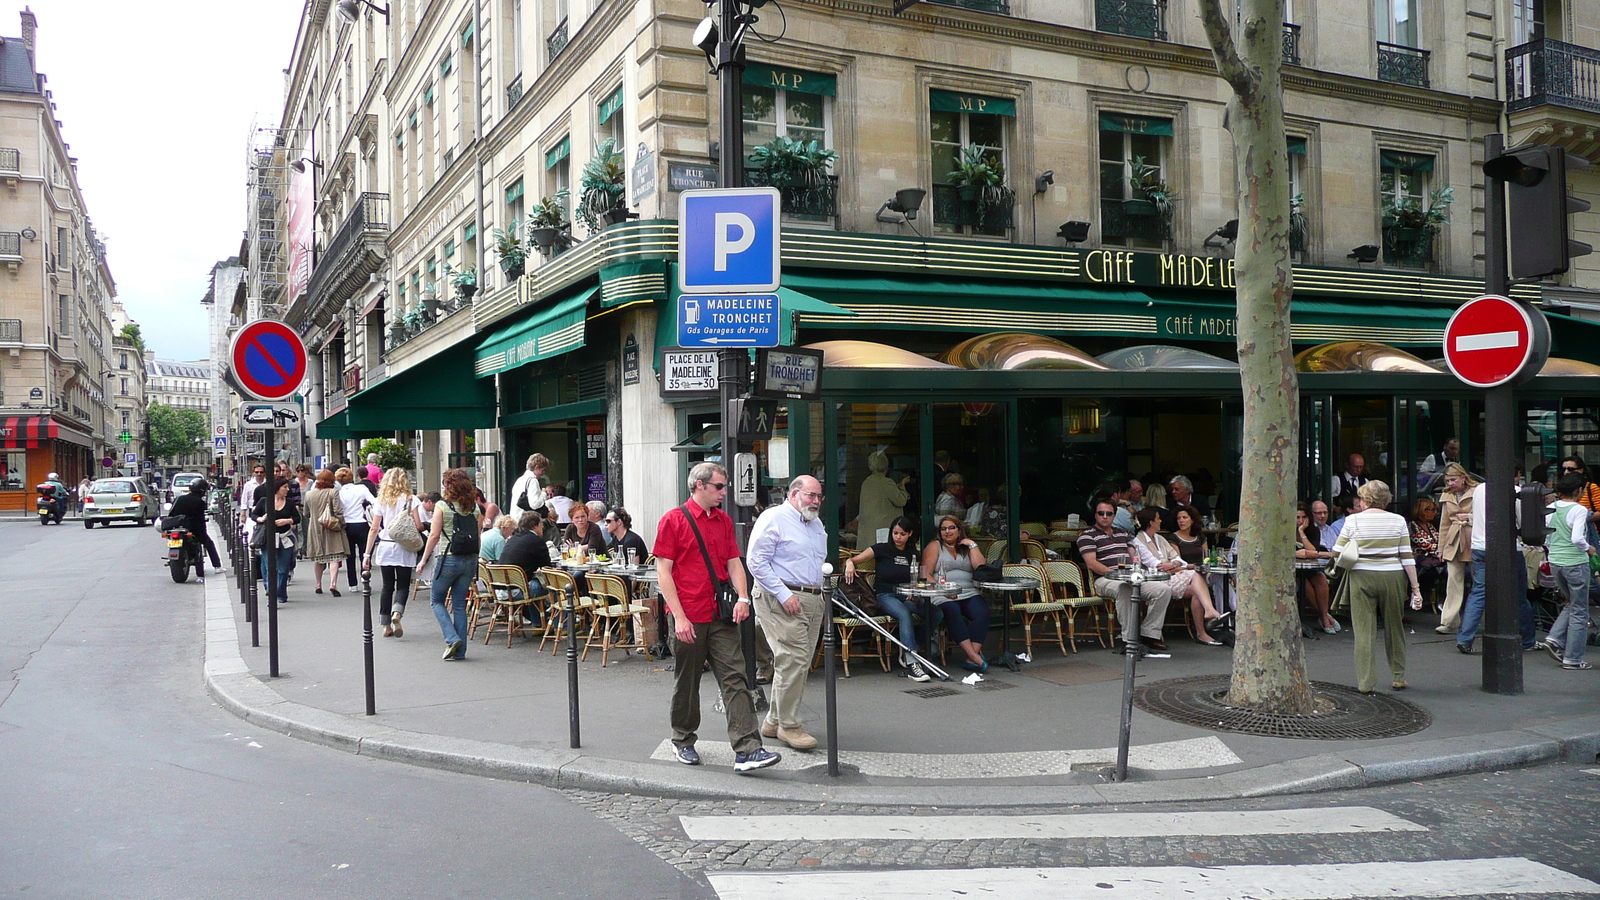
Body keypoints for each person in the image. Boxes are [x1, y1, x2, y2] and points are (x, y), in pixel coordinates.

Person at [654, 461, 781, 773]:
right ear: (700, 485)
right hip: (689, 614)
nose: (725, 492)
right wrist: (679, 618)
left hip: (719, 614)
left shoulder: (723, 520)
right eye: (719, 487)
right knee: (688, 681)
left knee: (735, 679)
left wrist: (742, 597)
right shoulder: (673, 520)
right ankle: (682, 738)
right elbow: (663, 572)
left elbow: (733, 561)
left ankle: (748, 749)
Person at [747, 475, 829, 751]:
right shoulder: (774, 518)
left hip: (812, 597)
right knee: (792, 659)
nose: (816, 501)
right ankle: (789, 726)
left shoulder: (816, 523)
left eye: (819, 496)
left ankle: (773, 720)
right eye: (810, 495)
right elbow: (755, 561)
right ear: (794, 494)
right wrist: (784, 594)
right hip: (780, 597)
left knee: (799, 661)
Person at [1331, 481, 1421, 693]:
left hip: (1361, 576)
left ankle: (1366, 682)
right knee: (1395, 627)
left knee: (1364, 631)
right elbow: (1407, 556)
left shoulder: (1352, 520)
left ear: (1363, 499)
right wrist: (1415, 588)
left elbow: (1337, 551)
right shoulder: (1398, 521)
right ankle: (1398, 676)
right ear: (1386, 499)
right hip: (1393, 576)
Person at [1078, 498, 1174, 657]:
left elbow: (1134, 556)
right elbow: (1092, 563)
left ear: (1114, 515)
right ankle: (1129, 640)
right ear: (1095, 515)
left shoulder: (1122, 533)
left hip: (1130, 576)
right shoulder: (1087, 535)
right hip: (1105, 579)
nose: (1104, 516)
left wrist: (1138, 571)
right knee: (1124, 589)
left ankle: (1149, 634)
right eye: (1101, 513)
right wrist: (1116, 575)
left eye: (1109, 513)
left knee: (1163, 590)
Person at [1456, 478, 1537, 654]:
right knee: (1519, 595)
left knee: (1479, 592)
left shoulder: (1479, 490)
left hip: (1479, 546)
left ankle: (1464, 638)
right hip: (1508, 548)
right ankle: (1528, 639)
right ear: (1517, 473)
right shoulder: (1515, 491)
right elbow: (1523, 523)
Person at [845, 516, 928, 681]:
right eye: (895, 533)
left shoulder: (913, 554)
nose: (898, 537)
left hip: (906, 594)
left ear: (910, 534)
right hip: (885, 595)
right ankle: (912, 662)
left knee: (934, 611)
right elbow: (853, 560)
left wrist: (915, 591)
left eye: (902, 534)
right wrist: (849, 564)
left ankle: (914, 646)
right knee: (904, 614)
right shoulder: (881, 549)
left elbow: (918, 578)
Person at [416, 469, 482, 661]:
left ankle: (452, 639)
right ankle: (460, 652)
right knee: (459, 605)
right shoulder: (475, 508)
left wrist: (423, 560)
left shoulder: (442, 507)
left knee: (436, 600)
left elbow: (434, 536)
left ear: (448, 486)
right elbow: (477, 536)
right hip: (469, 559)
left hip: (449, 558)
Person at [1133, 507, 1223, 645]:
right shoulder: (1138, 541)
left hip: (1171, 576)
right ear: (1151, 522)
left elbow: (1180, 560)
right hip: (1157, 580)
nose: (1161, 521)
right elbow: (1156, 564)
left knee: (1197, 591)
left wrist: (1172, 563)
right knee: (1195, 575)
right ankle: (1209, 613)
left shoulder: (1159, 538)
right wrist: (1172, 563)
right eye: (1158, 519)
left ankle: (1202, 632)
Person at [1534, 473, 1595, 670]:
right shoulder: (1579, 509)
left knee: (1571, 604)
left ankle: (1553, 639)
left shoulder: (1552, 507)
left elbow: (1547, 535)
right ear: (1579, 490)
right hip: (1575, 563)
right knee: (1580, 610)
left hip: (1556, 562)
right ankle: (1573, 658)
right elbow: (1577, 538)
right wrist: (1589, 548)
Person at [922, 514, 992, 671]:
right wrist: (944, 591)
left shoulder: (967, 547)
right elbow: (925, 574)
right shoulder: (935, 546)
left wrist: (973, 545)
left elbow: (981, 568)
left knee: (983, 612)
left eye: (951, 528)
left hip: (968, 591)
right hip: (941, 593)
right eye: (943, 529)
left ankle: (970, 657)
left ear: (959, 530)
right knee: (952, 610)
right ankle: (975, 657)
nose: (947, 531)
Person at [363, 468, 425, 638]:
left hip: (386, 545)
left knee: (387, 586)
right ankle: (397, 613)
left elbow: (374, 528)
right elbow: (418, 526)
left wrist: (367, 554)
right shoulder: (412, 500)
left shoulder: (381, 500)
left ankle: (385, 626)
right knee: (403, 585)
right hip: (404, 546)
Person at [1436, 464, 1477, 634]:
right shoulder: (1447, 494)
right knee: (1453, 582)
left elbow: (1487, 514)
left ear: (1463, 477)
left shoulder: (1478, 491)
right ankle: (1449, 622)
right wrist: (1441, 549)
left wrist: (1469, 517)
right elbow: (1444, 523)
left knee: (1481, 583)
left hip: (1474, 539)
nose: (1450, 483)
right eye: (1447, 480)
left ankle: (1489, 620)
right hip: (1454, 541)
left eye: (1453, 479)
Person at [252, 477, 300, 606]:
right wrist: (261, 519)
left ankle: (280, 592)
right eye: (285, 487)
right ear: (277, 488)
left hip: (285, 537)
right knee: (270, 567)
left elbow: (297, 518)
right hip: (268, 538)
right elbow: (254, 515)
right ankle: (272, 594)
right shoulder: (264, 501)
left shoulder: (289, 502)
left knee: (283, 568)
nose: (287, 489)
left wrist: (287, 521)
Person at [497, 511, 552, 624]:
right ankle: (562, 625)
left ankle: (538, 623)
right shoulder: (537, 540)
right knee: (555, 585)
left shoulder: (513, 538)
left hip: (500, 590)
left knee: (533, 583)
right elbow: (547, 568)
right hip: (516, 591)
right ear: (534, 525)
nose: (543, 526)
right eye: (541, 523)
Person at [303, 470, 350, 596]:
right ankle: (333, 583)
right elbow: (338, 510)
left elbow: (306, 513)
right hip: (332, 527)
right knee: (334, 556)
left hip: (315, 528)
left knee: (318, 558)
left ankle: (318, 584)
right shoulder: (333, 492)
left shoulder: (309, 494)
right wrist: (342, 524)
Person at [1295, 502, 1339, 634]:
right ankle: (1325, 617)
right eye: (1297, 517)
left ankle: (1324, 616)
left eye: (1304, 517)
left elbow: (1312, 550)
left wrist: (1302, 532)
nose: (1301, 520)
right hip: (1292, 570)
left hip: (1309, 568)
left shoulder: (1312, 531)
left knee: (1320, 578)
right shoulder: (1283, 531)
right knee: (1305, 584)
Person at [167, 478, 222, 574]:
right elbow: (200, 520)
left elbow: (171, 514)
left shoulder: (179, 498)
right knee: (209, 544)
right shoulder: (199, 502)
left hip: (176, 527)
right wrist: (202, 534)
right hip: (192, 529)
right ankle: (217, 566)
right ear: (202, 490)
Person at [857, 450, 909, 547]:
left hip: (868, 532)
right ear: (886, 466)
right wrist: (902, 485)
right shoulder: (887, 482)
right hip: (883, 531)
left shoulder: (866, 482)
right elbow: (901, 500)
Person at [336, 467, 374, 589]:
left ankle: (353, 584)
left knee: (350, 556)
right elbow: (374, 501)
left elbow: (338, 509)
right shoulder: (361, 488)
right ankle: (365, 578)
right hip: (362, 523)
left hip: (347, 525)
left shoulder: (339, 493)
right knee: (364, 554)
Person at [1408, 496, 1446, 613]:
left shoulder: (1429, 526)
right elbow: (1428, 546)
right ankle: (1440, 599)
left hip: (1435, 558)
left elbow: (1440, 541)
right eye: (1432, 510)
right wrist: (1444, 551)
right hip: (1421, 561)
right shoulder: (1413, 527)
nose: (1435, 513)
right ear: (1423, 511)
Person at [508, 453, 551, 518]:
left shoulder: (520, 480)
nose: (543, 474)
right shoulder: (533, 481)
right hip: (526, 521)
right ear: (537, 467)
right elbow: (535, 504)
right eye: (543, 470)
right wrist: (544, 493)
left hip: (515, 518)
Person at [239, 463, 267, 538]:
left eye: (261, 472)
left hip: (265, 510)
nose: (259, 474)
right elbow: (244, 499)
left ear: (264, 473)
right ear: (253, 473)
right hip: (253, 510)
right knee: (253, 530)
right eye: (257, 472)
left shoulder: (268, 484)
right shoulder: (248, 484)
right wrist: (243, 514)